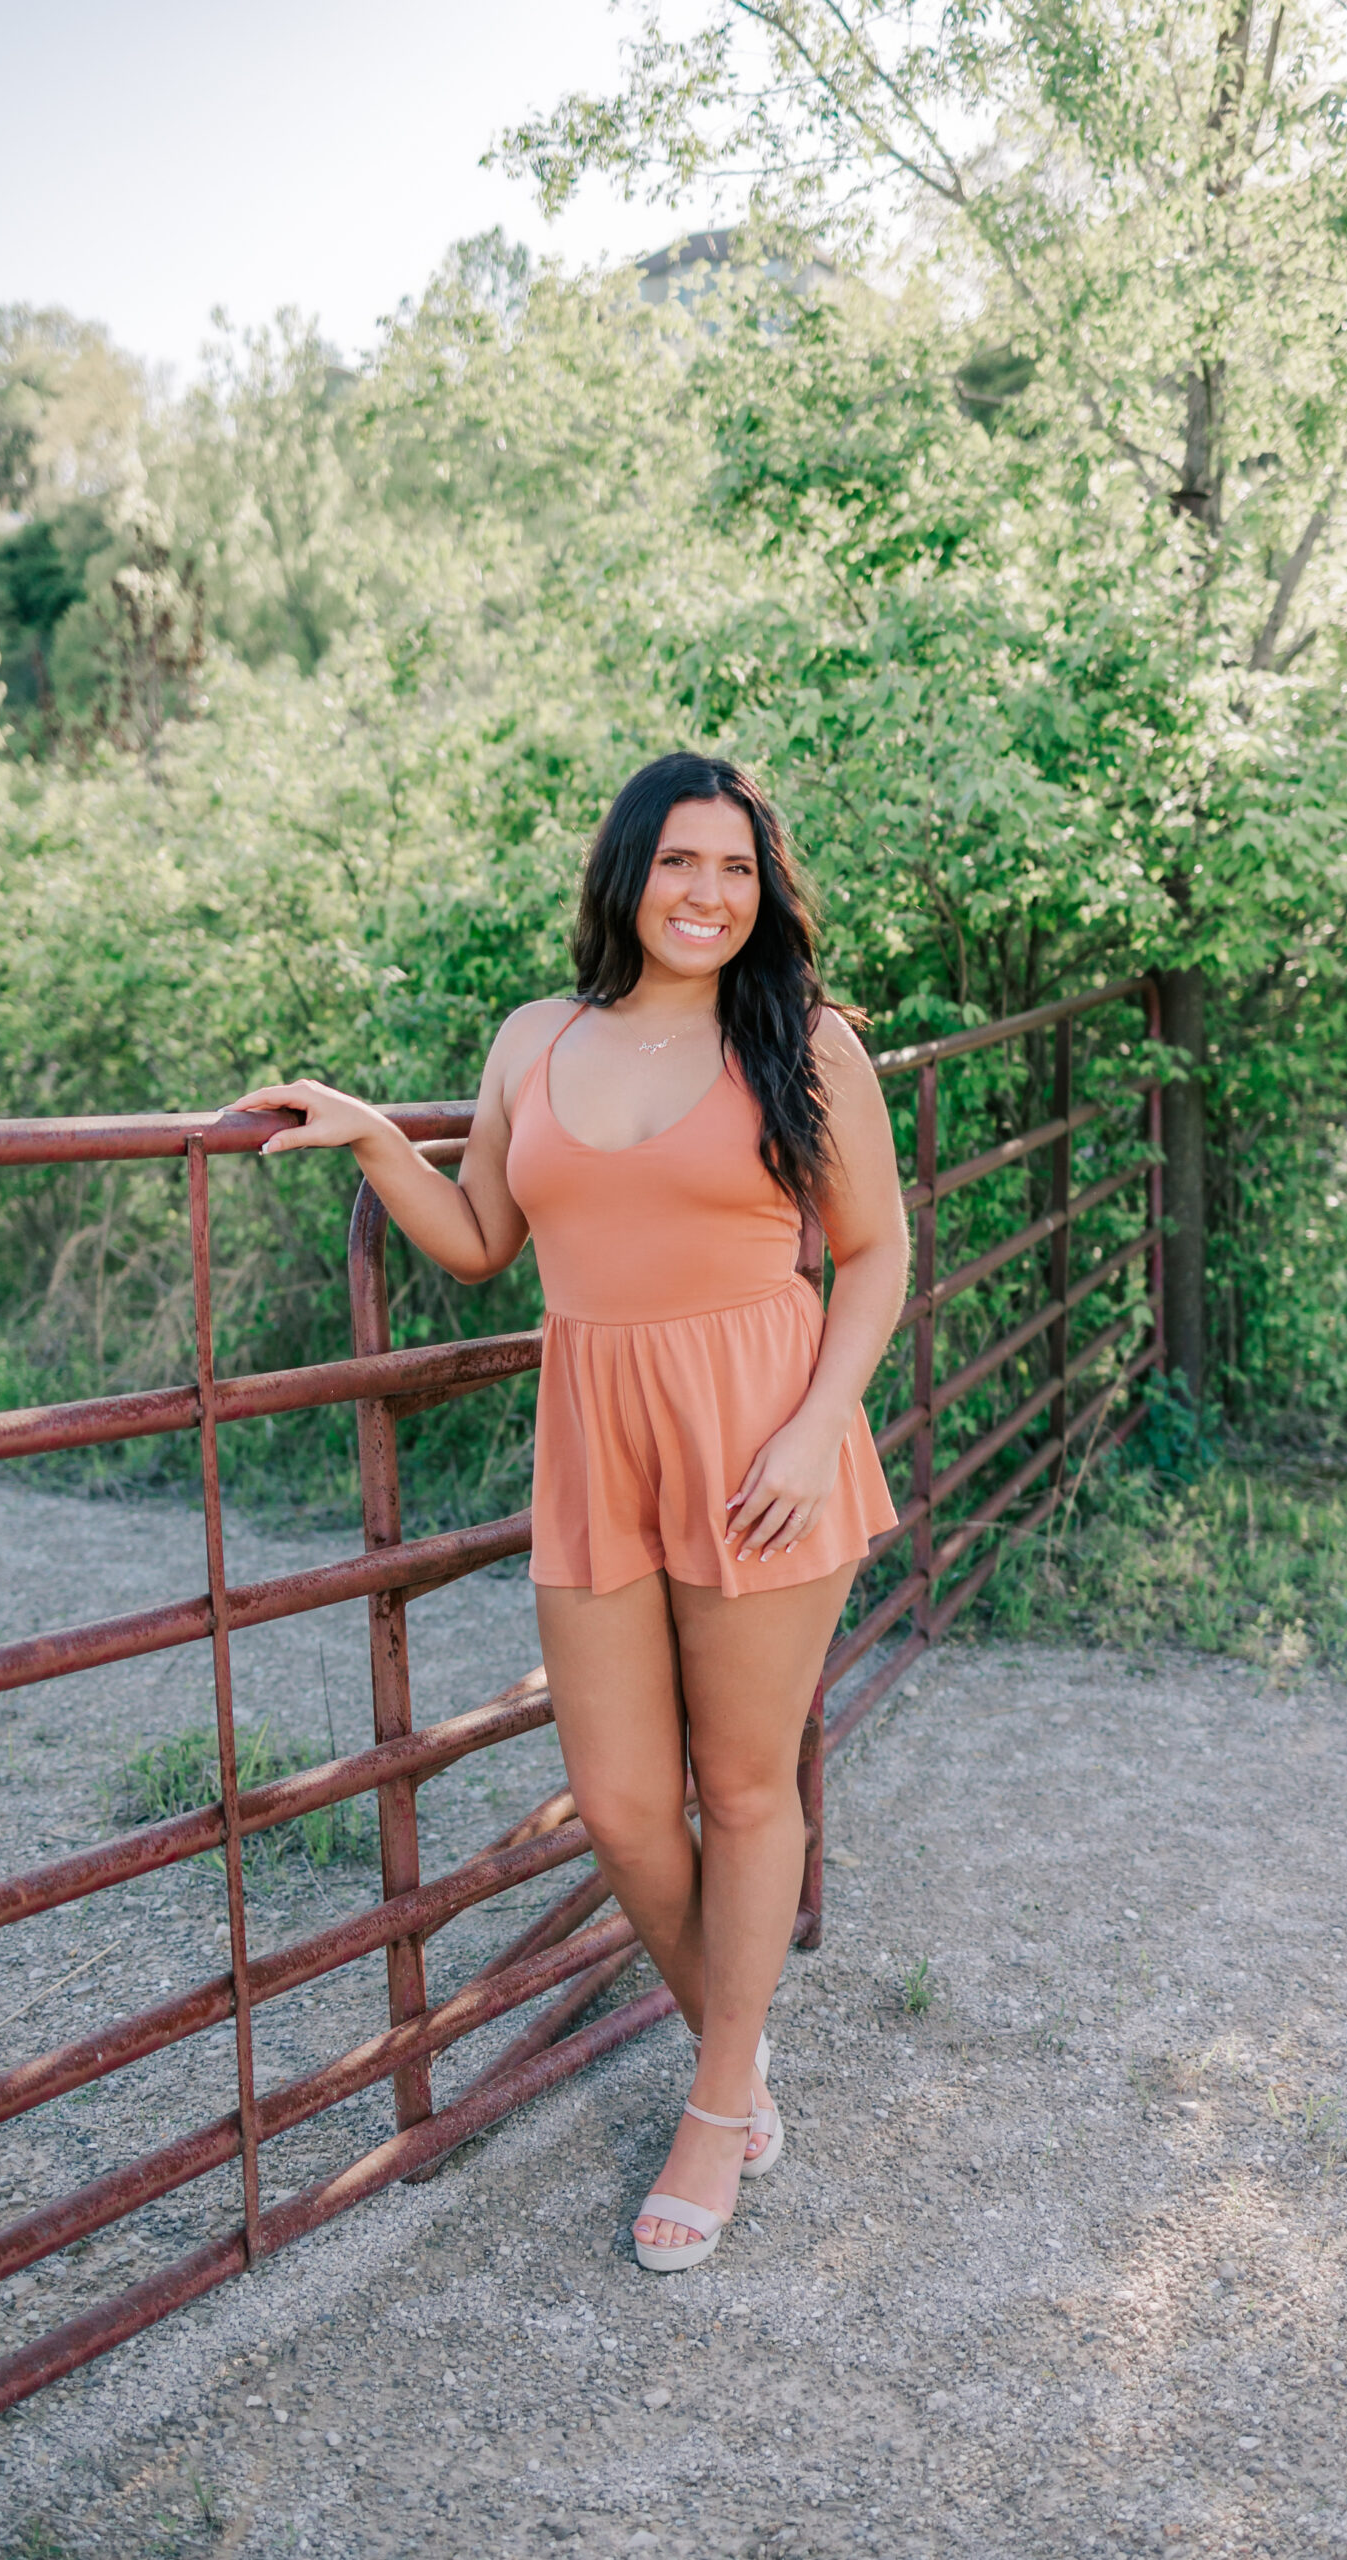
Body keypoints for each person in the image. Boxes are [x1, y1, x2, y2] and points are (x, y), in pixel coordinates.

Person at [229, 752, 907, 2271]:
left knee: (740, 1789)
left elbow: (871, 1256)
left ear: (762, 893)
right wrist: (370, 1135)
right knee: (612, 1802)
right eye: (679, 863)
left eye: (734, 870)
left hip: (761, 1441)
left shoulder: (804, 1042)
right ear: (625, 874)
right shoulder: (534, 1039)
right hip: (596, 1442)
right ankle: (734, 2050)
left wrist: (815, 1430)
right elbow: (481, 1239)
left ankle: (717, 2106)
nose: (707, 895)